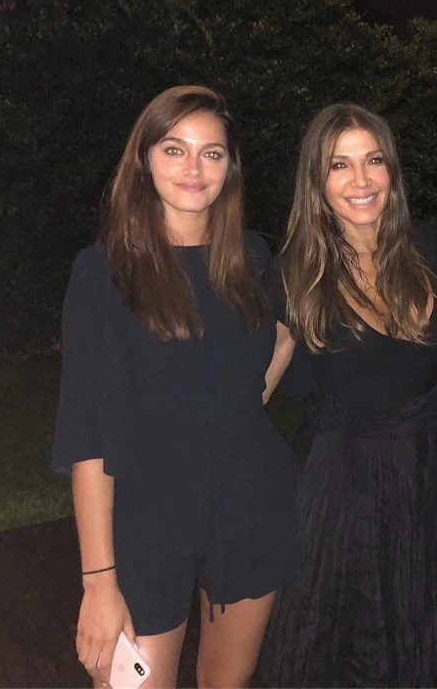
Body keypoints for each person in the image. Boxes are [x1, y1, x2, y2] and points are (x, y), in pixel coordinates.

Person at [52, 86, 297, 687]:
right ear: (144, 159)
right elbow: (89, 433)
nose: (194, 168)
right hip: (146, 516)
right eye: (174, 149)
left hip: (248, 502)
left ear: (230, 168)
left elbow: (283, 336)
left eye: (212, 153)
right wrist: (98, 582)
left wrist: (245, 401)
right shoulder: (105, 271)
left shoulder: (251, 258)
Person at [257, 103, 437, 687]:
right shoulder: (296, 272)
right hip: (336, 488)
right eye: (339, 165)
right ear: (317, 182)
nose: (361, 179)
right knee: (329, 649)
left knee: (418, 639)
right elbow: (251, 391)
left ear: (391, 170)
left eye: (373, 161)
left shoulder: (429, 250)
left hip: (423, 479)